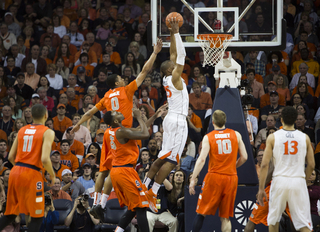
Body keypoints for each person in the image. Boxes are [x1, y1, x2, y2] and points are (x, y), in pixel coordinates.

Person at [71, 39, 163, 209]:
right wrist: (155, 52)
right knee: (121, 166)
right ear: (117, 83)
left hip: (110, 133)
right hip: (124, 134)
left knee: (105, 170)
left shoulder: (106, 96)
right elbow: (145, 70)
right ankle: (138, 199)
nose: (123, 79)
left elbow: (91, 112)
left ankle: (98, 203)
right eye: (121, 78)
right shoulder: (126, 90)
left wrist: (78, 125)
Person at [143, 18, 189, 210]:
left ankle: (144, 188)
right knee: (172, 160)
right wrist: (177, 32)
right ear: (171, 69)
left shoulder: (166, 78)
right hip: (178, 120)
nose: (175, 64)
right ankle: (152, 194)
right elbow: (182, 55)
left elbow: (173, 54)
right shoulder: (176, 78)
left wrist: (170, 32)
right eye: (173, 65)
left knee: (162, 156)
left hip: (170, 120)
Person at [257, 106, 315, 232]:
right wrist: (303, 181)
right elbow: (311, 164)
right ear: (295, 120)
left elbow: (265, 165)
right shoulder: (305, 137)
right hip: (298, 180)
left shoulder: (273, 137)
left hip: (279, 180)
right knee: (304, 224)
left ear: (281, 119)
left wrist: (261, 188)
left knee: (273, 221)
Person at [189, 109, 248, 232]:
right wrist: (232, 166)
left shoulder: (208, 137)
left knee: (201, 213)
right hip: (231, 177)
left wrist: (193, 179)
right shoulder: (236, 134)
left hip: (214, 177)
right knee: (225, 217)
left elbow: (201, 160)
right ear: (225, 121)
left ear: (213, 122)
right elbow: (245, 157)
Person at [0, 104, 56, 232]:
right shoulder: (48, 132)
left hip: (15, 171)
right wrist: (53, 175)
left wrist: (20, 170)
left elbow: (10, 157)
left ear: (31, 115)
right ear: (46, 115)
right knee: (37, 215)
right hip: (32, 173)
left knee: (11, 213)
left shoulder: (21, 130)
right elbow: (45, 159)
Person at [101, 109, 151, 231]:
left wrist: (154, 117)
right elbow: (145, 134)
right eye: (116, 113)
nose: (118, 111)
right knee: (141, 206)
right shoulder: (121, 132)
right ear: (116, 120)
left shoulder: (110, 131)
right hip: (125, 171)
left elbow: (137, 130)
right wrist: (139, 117)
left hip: (118, 171)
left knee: (132, 208)